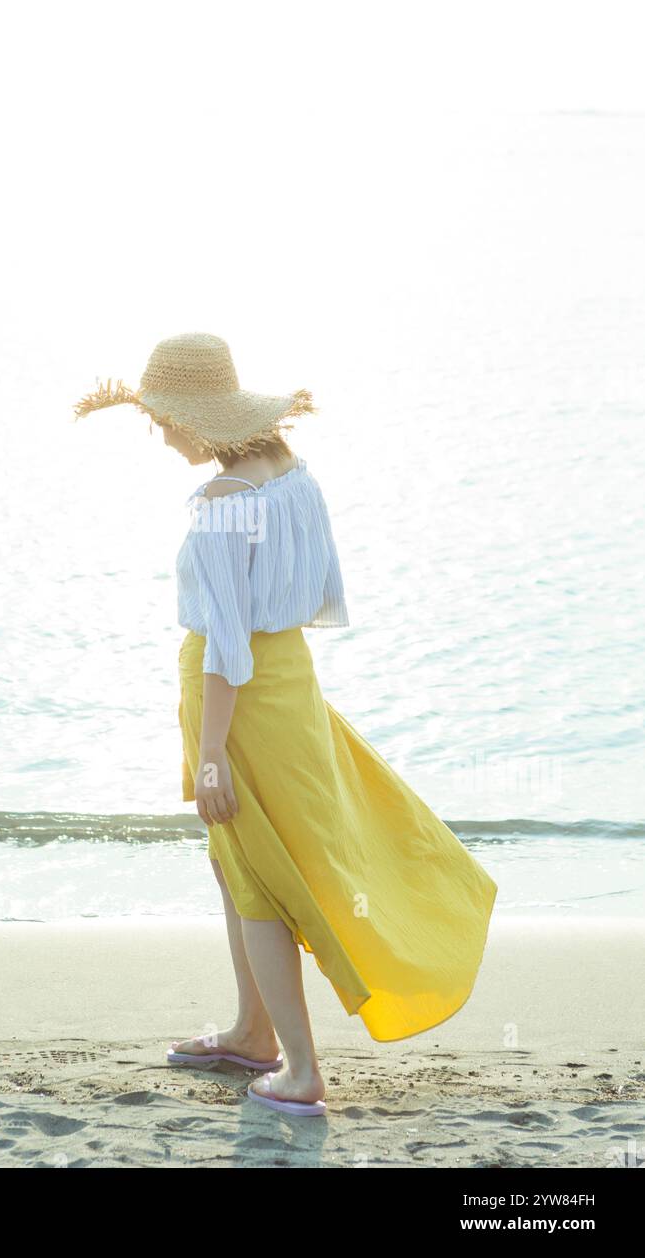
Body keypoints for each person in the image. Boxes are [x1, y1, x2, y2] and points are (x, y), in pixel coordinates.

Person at [74, 332, 498, 1118]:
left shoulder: (220, 511)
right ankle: (250, 1031)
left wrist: (209, 756)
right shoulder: (292, 479)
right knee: (237, 864)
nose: (159, 433)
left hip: (239, 706)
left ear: (195, 416)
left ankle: (298, 1070)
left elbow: (227, 652)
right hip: (290, 686)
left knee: (259, 877)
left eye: (162, 418)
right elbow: (311, 596)